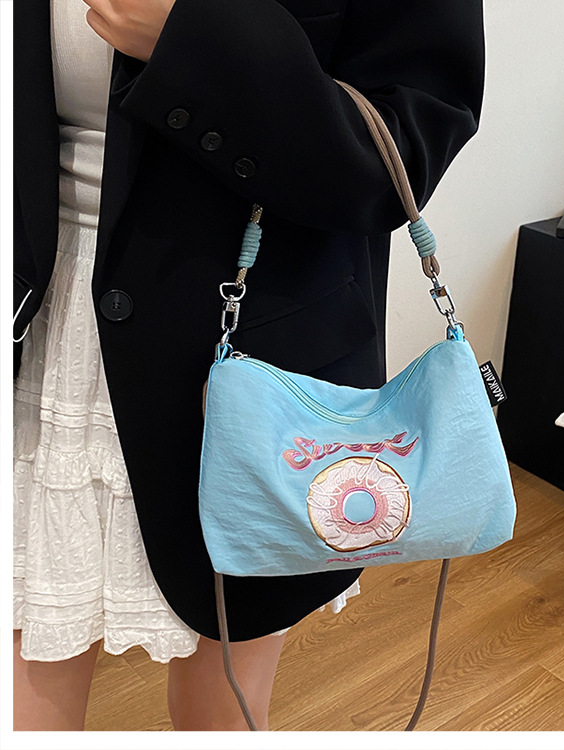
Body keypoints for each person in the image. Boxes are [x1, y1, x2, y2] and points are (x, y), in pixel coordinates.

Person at [12, 0, 485, 731]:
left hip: (258, 349)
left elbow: (404, 145)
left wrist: (196, 42)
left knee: (223, 702)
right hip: (37, 327)